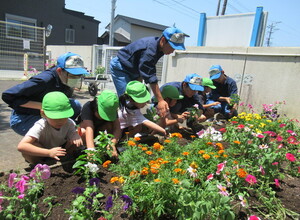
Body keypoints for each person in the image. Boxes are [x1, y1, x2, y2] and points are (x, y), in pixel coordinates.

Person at [2, 52, 89, 136]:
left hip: (46, 113)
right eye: (73, 76)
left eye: (79, 75)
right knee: (56, 132)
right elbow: (8, 96)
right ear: (59, 71)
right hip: (23, 118)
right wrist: (47, 107)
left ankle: (62, 132)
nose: (76, 79)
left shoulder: (64, 78)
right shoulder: (44, 80)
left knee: (75, 105)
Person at [110, 27, 189, 118]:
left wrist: (139, 85)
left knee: (138, 97)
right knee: (128, 99)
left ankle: (134, 120)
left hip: (134, 69)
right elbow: (150, 76)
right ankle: (122, 124)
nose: (172, 51)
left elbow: (144, 69)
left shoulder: (160, 48)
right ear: (163, 40)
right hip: (121, 67)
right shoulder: (149, 51)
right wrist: (160, 100)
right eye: (172, 47)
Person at [17, 91, 83, 165]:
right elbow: (21, 146)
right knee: (28, 150)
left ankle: (67, 157)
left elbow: (73, 132)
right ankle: (41, 165)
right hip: (43, 151)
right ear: (43, 113)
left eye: (64, 117)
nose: (60, 121)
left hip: (60, 149)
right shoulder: (41, 125)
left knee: (81, 132)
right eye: (55, 118)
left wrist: (75, 135)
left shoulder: (69, 122)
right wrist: (48, 152)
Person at [79, 90, 121, 157]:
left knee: (110, 125)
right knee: (83, 131)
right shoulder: (88, 107)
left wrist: (112, 143)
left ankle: (104, 148)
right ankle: (83, 149)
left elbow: (117, 127)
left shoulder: (111, 108)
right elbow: (89, 127)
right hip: (87, 133)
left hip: (101, 132)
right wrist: (91, 150)